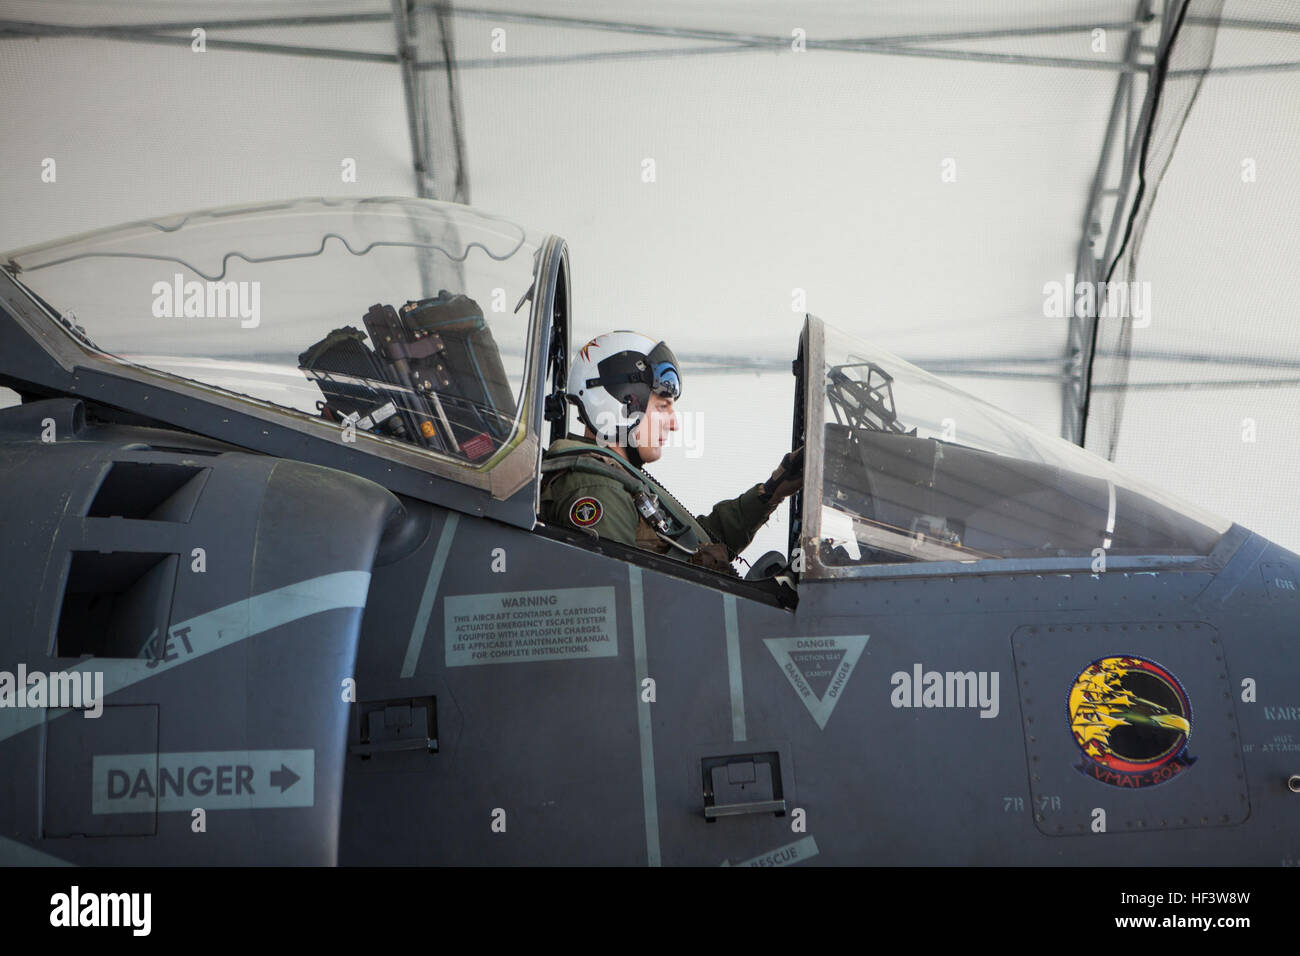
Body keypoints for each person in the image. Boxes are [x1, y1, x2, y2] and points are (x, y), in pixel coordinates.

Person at [539, 331, 803, 575]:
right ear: (622, 405)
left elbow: (691, 544)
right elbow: (619, 599)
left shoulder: (616, 478)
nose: (674, 423)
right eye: (663, 406)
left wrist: (772, 491)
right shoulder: (598, 489)